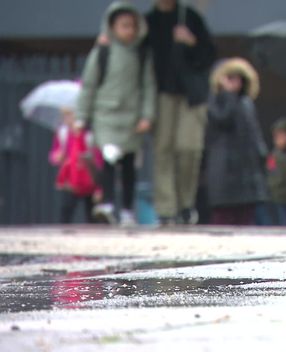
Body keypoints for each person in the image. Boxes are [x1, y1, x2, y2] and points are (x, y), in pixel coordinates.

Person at [76, 2, 156, 226]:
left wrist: (147, 116)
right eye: (123, 26)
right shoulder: (101, 52)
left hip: (132, 117)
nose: (128, 30)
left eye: (132, 25)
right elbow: (88, 86)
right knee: (109, 160)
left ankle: (128, 210)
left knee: (129, 164)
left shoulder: (141, 53)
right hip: (106, 115)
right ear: (112, 27)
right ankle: (109, 204)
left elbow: (148, 86)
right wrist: (81, 116)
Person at [146, 0, 217, 225]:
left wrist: (191, 41)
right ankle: (166, 209)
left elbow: (209, 55)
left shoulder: (190, 17)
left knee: (189, 149)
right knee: (163, 150)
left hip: (191, 96)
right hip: (161, 95)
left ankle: (186, 204)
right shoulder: (148, 22)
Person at [205, 58, 269, 225]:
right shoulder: (214, 102)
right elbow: (222, 119)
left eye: (239, 78)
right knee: (223, 221)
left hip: (247, 172)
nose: (236, 83)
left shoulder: (246, 103)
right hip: (224, 171)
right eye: (230, 78)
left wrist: (262, 157)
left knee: (246, 220)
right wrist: (227, 94)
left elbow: (255, 134)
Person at [49, 109, 103, 223]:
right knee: (66, 212)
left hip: (89, 181)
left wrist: (99, 189)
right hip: (70, 181)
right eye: (65, 116)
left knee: (92, 216)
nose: (67, 119)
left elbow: (98, 161)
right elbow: (54, 155)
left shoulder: (89, 135)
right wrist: (57, 156)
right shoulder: (62, 134)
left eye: (70, 115)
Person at [265, 117, 286, 226]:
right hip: (278, 199)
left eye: (282, 135)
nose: (279, 140)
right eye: (276, 136)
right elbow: (271, 174)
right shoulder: (274, 156)